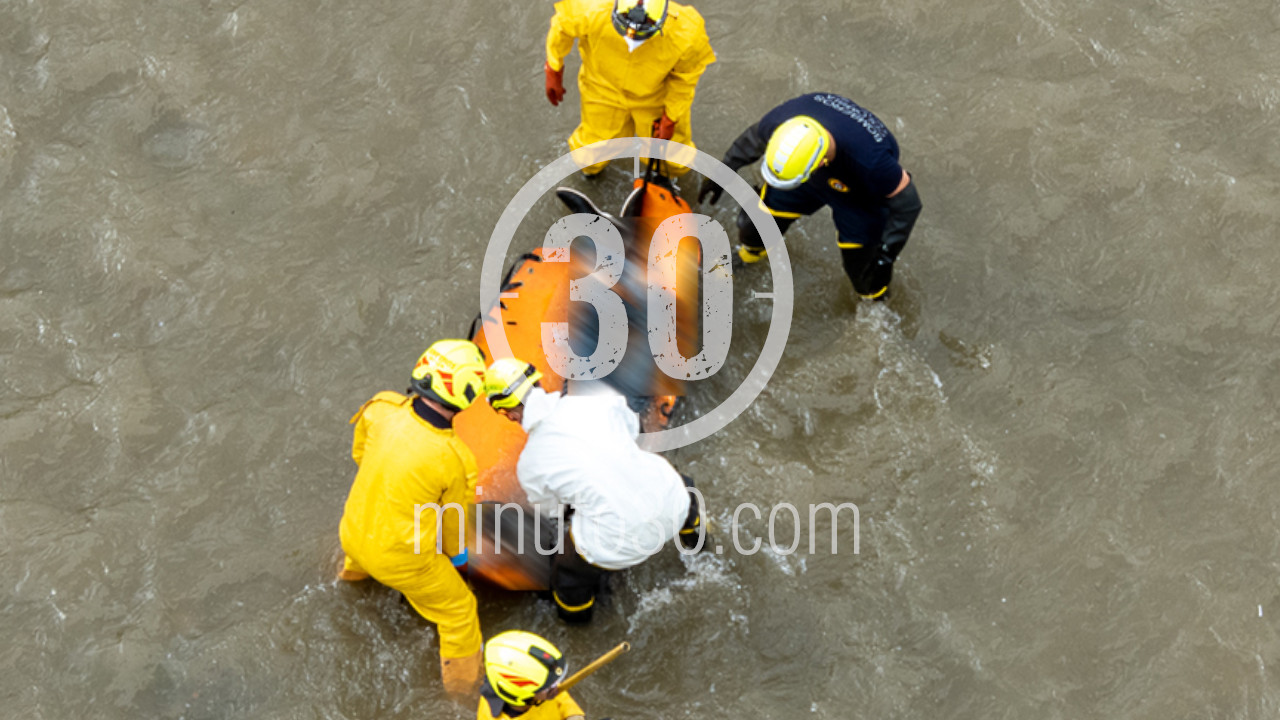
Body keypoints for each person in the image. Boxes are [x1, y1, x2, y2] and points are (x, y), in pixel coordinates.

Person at [484, 359, 705, 623]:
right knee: (681, 488)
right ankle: (702, 550)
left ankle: (579, 624)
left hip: (621, 542)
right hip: (673, 501)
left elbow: (552, 513)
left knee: (567, 574)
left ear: (507, 413)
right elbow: (632, 430)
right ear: (539, 382)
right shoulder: (596, 399)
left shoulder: (530, 464)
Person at [336, 339, 487, 697]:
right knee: (459, 612)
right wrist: (459, 562)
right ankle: (461, 697)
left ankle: (348, 586)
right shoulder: (455, 458)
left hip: (353, 533)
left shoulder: (381, 407)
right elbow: (452, 529)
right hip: (403, 559)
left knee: (360, 566)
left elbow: (361, 454)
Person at [698, 92, 924, 301]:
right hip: (807, 180)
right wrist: (722, 174)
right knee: (757, 225)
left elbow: (908, 204)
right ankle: (750, 255)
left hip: (857, 195)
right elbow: (753, 139)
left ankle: (875, 300)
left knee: (863, 272)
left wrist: (887, 255)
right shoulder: (782, 121)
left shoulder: (872, 162)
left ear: (821, 164)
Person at [544, 0, 716, 176]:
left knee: (672, 157)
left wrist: (670, 118)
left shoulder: (686, 31)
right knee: (590, 154)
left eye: (641, 32)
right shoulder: (593, 7)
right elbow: (562, 26)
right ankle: (590, 175)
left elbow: (685, 79)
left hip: (655, 96)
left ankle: (666, 180)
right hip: (601, 87)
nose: (631, 37)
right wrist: (554, 69)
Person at [477, 630, 585, 720]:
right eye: (550, 685)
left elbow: (560, 696)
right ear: (522, 696)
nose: (556, 686)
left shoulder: (540, 687)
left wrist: (573, 714)